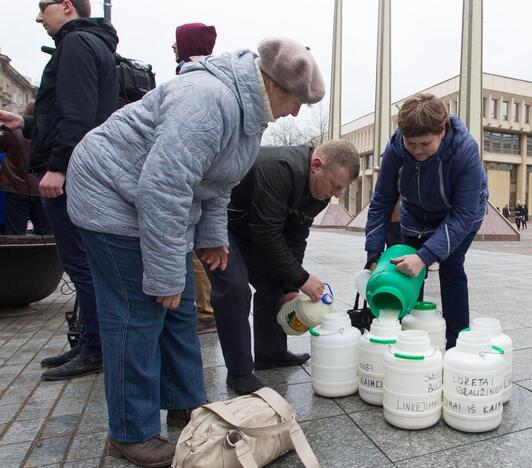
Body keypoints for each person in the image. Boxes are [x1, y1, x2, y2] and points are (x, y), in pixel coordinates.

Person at [65, 37, 325, 466]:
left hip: (147, 201)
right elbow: (164, 187)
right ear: (273, 84)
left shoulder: (248, 114)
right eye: (296, 99)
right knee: (138, 312)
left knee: (181, 308)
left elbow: (217, 183)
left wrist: (211, 236)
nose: (296, 111)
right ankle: (131, 433)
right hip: (110, 194)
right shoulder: (207, 100)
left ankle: (186, 405)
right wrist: (165, 274)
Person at [0, 0, 119, 380]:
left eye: (43, 8)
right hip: (79, 168)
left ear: (67, 6)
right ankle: (87, 343)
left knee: (82, 266)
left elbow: (79, 114)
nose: (38, 17)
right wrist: (27, 123)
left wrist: (58, 166)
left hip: (71, 173)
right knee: (82, 265)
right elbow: (71, 112)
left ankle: (95, 349)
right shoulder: (88, 43)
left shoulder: (76, 44)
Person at [208, 141, 359, 395]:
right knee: (234, 287)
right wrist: (301, 279)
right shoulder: (280, 168)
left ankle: (270, 353)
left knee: (274, 282)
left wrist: (291, 285)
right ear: (316, 165)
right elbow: (267, 234)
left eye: (341, 189)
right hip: (222, 219)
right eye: (335, 185)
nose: (336, 194)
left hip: (254, 226)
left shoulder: (319, 192)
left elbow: (295, 237)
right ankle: (240, 371)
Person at [365, 93, 488, 348]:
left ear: (441, 131)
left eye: (425, 143)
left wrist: (424, 257)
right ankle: (406, 338)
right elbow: (382, 201)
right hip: (416, 213)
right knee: (404, 271)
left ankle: (457, 344)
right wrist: (374, 253)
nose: (417, 151)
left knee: (452, 267)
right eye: (411, 144)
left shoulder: (464, 151)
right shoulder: (396, 150)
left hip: (460, 215)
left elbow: (463, 214)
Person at [172, 21, 219, 334]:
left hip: (194, 180)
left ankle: (206, 311)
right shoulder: (206, 77)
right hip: (198, 178)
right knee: (197, 250)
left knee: (196, 251)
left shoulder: (193, 80)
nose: (173, 48)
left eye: (177, 43)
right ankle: (204, 309)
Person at [0, 103, 51, 235]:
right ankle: (45, 256)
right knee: (46, 233)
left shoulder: (12, 132)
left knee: (14, 233)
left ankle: (16, 256)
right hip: (44, 187)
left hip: (16, 189)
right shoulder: (50, 132)